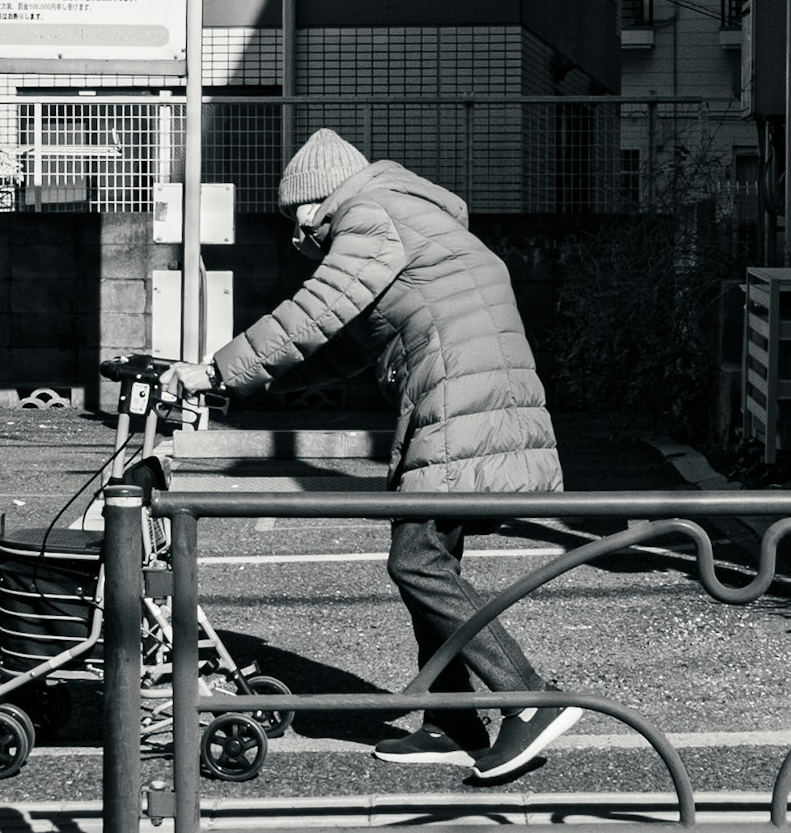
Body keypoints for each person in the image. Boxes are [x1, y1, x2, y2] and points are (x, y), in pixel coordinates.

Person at [176, 128, 580, 783]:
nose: (293, 232)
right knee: (430, 558)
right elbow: (342, 347)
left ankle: (528, 700)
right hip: (467, 397)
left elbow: (315, 310)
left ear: (322, 197)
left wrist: (218, 372)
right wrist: (252, 383)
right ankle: (452, 722)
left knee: (416, 560)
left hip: (460, 401)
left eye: (295, 215)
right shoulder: (404, 218)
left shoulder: (370, 213)